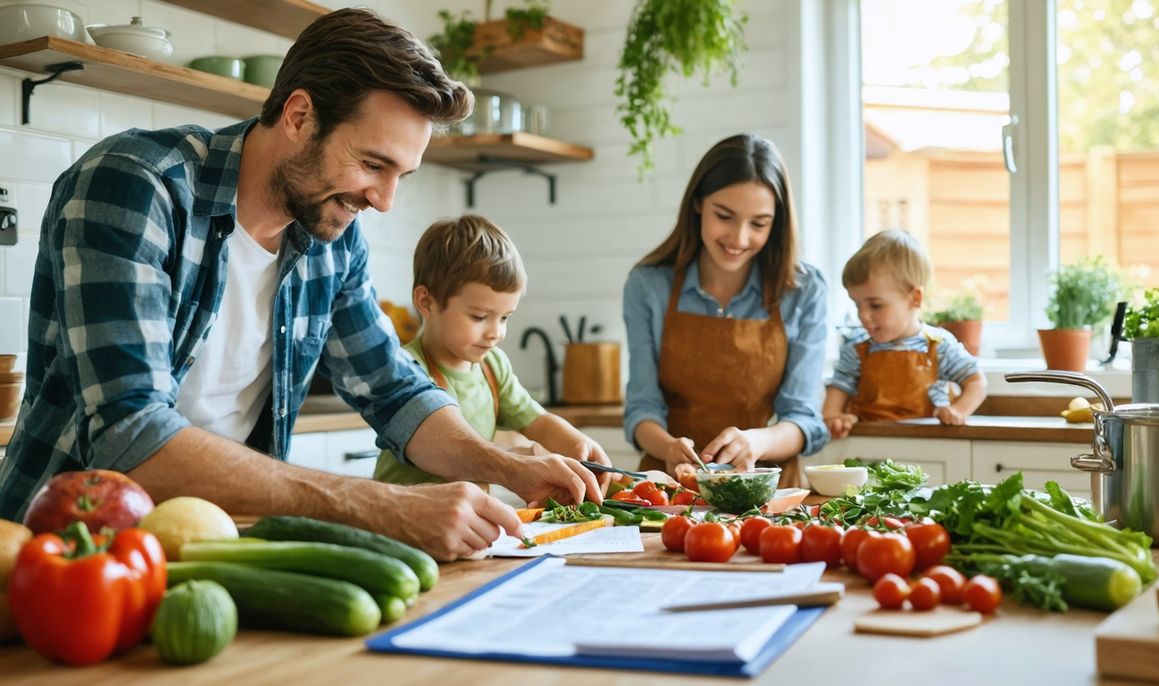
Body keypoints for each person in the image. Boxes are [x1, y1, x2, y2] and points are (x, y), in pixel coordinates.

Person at [0, 8, 600, 561]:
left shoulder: (333, 240)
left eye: (401, 175)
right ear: (298, 115)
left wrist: (514, 466)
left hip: (222, 552)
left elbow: (394, 392)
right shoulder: (136, 184)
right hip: (67, 556)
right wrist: (383, 506)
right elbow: (129, 435)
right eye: (372, 165)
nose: (385, 201)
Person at [622, 134, 829, 488]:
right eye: (725, 216)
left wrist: (756, 442)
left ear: (776, 223)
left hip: (768, 491)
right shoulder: (647, 285)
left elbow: (804, 420)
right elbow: (641, 410)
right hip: (670, 488)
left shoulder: (804, 290)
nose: (739, 238)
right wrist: (669, 447)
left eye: (759, 223)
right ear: (698, 203)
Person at [373, 214, 613, 489]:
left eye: (504, 318)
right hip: (407, 511)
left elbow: (537, 421)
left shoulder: (492, 366)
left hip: (468, 512)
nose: (495, 333)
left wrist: (578, 443)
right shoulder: (408, 367)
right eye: (479, 317)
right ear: (426, 302)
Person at [823, 229, 988, 438]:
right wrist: (833, 417)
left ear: (915, 299)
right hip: (868, 446)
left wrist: (958, 410)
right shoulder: (855, 350)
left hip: (928, 448)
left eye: (875, 305)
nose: (863, 315)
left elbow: (976, 382)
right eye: (857, 305)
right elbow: (837, 392)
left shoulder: (939, 346)